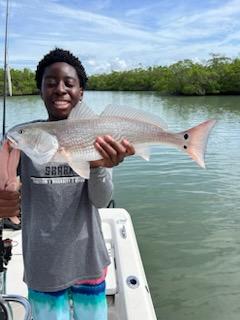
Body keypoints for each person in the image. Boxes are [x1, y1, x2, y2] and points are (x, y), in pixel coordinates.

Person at [0, 48, 135, 320]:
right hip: (42, 263)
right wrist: (5, 198)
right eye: (50, 83)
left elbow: (100, 200)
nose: (59, 89)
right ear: (39, 89)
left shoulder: (99, 137)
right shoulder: (22, 137)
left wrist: (98, 166)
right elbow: (5, 186)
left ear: (81, 92)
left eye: (69, 83)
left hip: (89, 259)